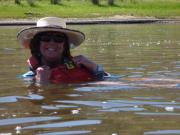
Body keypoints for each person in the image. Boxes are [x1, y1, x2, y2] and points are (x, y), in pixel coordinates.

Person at [17, 17, 106, 84]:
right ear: (37, 44)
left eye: (58, 39)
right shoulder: (28, 78)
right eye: (46, 38)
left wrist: (94, 67)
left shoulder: (83, 66)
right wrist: (42, 82)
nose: (52, 43)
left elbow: (109, 81)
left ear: (65, 45)